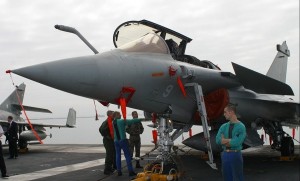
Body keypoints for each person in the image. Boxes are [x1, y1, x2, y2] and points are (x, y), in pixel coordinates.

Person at [216, 103, 246, 181]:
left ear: (231, 112)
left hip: (236, 154)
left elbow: (237, 143)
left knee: (238, 178)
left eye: (225, 112)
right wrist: (230, 140)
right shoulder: (223, 126)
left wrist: (224, 140)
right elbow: (218, 140)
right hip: (225, 154)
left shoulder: (241, 127)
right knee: (226, 178)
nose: (224, 114)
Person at [113, 111, 142, 177]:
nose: (121, 115)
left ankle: (119, 171)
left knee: (118, 156)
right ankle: (130, 171)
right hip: (122, 140)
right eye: (119, 114)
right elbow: (132, 121)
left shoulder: (113, 122)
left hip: (116, 141)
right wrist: (142, 119)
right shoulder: (121, 121)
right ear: (117, 115)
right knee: (128, 155)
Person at [99, 110, 116, 175]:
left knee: (112, 154)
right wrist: (107, 136)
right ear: (109, 115)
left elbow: (100, 129)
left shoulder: (110, 121)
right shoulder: (107, 122)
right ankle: (107, 170)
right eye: (113, 114)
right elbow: (102, 129)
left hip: (110, 140)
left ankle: (110, 168)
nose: (114, 115)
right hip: (108, 141)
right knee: (109, 155)